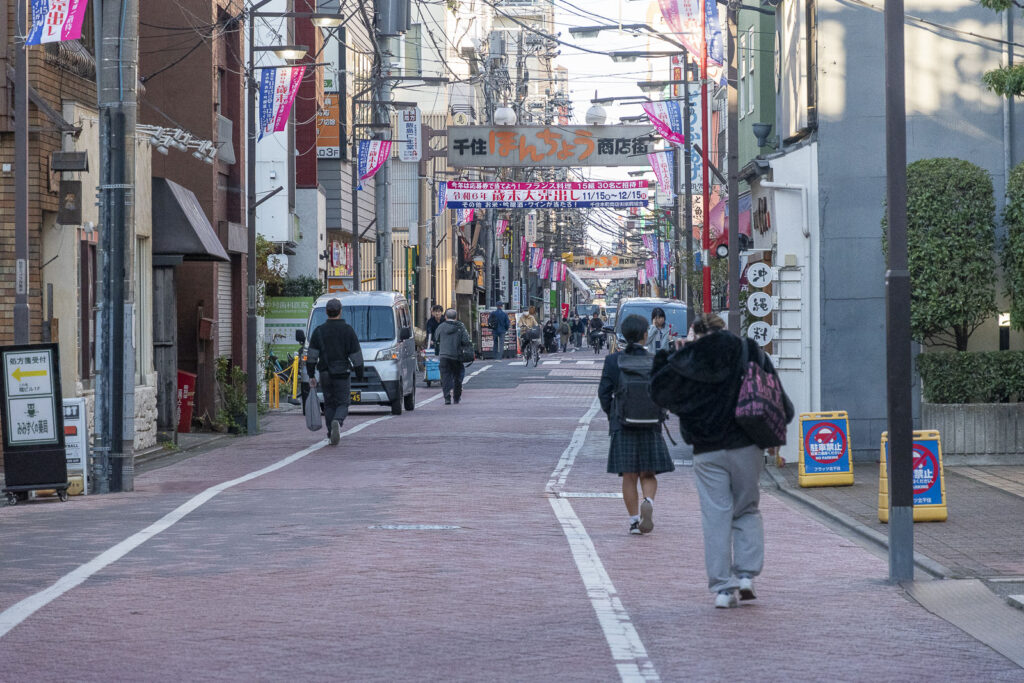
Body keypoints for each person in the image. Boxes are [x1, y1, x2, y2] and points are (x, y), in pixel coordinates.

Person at [665, 313, 790, 608]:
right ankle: (746, 577)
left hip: (707, 449)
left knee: (716, 515)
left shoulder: (690, 358)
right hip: (747, 443)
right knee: (746, 508)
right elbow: (776, 393)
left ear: (696, 333)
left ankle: (723, 589)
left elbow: (669, 395)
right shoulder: (750, 350)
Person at [598, 314, 674, 535]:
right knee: (648, 474)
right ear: (644, 335)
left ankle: (633, 522)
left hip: (623, 424)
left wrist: (613, 414)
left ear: (623, 334)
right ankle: (648, 500)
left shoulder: (613, 361)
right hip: (650, 425)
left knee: (629, 475)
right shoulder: (656, 360)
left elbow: (604, 394)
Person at [306, 298, 364, 446]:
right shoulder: (348, 330)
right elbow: (356, 356)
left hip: (325, 372)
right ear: (340, 311)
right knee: (343, 402)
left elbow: (311, 356)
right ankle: (337, 422)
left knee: (329, 403)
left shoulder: (319, 331)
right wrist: (359, 373)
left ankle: (330, 431)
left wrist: (311, 374)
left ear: (326, 312)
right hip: (342, 372)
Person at [434, 308, 472, 405]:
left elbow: (436, 339)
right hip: (456, 356)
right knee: (458, 376)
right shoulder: (460, 326)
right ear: (456, 317)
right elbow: (466, 340)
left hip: (443, 356)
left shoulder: (440, 327)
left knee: (445, 376)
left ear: (445, 317)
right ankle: (456, 397)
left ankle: (447, 397)